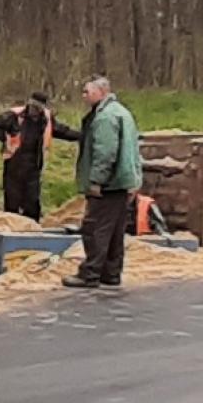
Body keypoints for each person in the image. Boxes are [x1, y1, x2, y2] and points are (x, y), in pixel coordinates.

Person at [62, 77, 142, 289]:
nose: (84, 96)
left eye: (87, 91)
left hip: (109, 184)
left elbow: (105, 153)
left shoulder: (105, 118)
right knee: (115, 231)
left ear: (101, 92)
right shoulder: (122, 112)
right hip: (123, 182)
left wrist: (96, 180)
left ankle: (90, 273)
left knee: (94, 228)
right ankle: (111, 273)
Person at [0, 92, 77, 222]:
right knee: (12, 199)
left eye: (38, 108)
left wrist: (82, 136)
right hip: (14, 164)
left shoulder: (46, 119)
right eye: (33, 106)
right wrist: (5, 139)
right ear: (29, 104)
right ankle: (11, 227)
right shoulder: (14, 115)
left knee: (32, 201)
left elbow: (62, 131)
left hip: (34, 165)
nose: (35, 110)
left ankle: (32, 228)